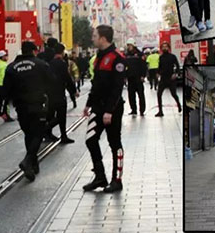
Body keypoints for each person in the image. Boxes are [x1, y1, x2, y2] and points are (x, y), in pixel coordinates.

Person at [83, 25, 126, 194]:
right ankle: (100, 176)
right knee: (90, 140)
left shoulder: (117, 58)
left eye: (94, 35)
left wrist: (109, 110)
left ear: (103, 38)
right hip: (97, 107)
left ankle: (117, 180)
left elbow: (117, 87)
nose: (92, 38)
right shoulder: (98, 58)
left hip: (112, 108)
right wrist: (88, 103)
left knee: (114, 143)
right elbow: (97, 85)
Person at [3, 41, 53, 182]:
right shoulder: (41, 65)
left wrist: (3, 107)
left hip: (21, 107)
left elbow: (5, 90)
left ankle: (33, 164)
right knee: (38, 134)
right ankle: (27, 161)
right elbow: (51, 82)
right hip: (38, 105)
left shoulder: (11, 68)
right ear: (33, 51)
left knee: (28, 134)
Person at [47, 43, 78, 144]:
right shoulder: (62, 63)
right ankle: (61, 135)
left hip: (50, 92)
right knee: (61, 115)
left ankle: (48, 132)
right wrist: (74, 91)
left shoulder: (50, 63)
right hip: (59, 92)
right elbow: (67, 78)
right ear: (62, 51)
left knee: (51, 114)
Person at [155, 42, 182, 117]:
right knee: (159, 94)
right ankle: (160, 111)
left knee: (173, 94)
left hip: (171, 78)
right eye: (163, 47)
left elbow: (177, 66)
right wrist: (158, 73)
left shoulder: (172, 56)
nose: (164, 48)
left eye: (166, 47)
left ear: (168, 48)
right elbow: (160, 67)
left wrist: (176, 73)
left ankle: (179, 104)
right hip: (163, 78)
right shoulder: (161, 57)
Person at [125, 38, 147, 116]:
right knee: (131, 95)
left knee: (141, 95)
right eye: (128, 45)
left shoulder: (140, 54)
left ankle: (142, 110)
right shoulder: (127, 55)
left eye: (129, 45)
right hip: (130, 78)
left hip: (138, 78)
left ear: (133, 45)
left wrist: (143, 75)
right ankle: (133, 110)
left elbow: (144, 66)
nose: (128, 47)